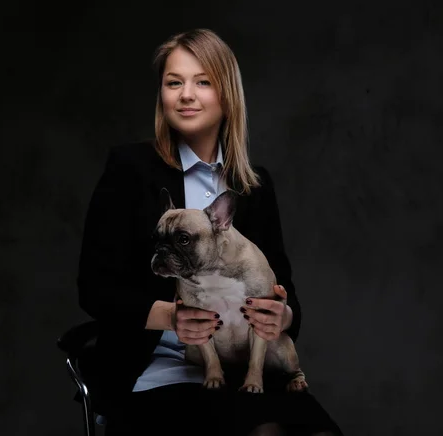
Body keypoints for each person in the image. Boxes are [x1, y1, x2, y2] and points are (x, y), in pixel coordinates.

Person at [76, 28, 343, 436]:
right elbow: (93, 289)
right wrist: (172, 316)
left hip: (244, 365)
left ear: (227, 95)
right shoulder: (130, 169)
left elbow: (283, 286)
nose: (186, 94)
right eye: (174, 82)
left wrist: (282, 314)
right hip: (158, 369)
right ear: (161, 95)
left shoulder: (254, 185)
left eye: (203, 82)